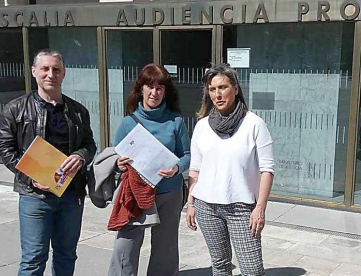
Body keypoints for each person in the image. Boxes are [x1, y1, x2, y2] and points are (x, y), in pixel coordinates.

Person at [0, 49, 97, 276]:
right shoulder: (16, 109)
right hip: (35, 197)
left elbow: (90, 145)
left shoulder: (78, 111)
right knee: (33, 259)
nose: (50, 74)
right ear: (34, 72)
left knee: (66, 255)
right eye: (45, 69)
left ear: (63, 74)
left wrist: (81, 157)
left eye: (56, 69)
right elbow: (3, 148)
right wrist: (30, 177)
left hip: (71, 196)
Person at [186, 63, 274, 276]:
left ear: (235, 88)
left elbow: (267, 169)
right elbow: (195, 170)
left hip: (242, 208)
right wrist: (190, 203)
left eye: (223, 87)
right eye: (213, 89)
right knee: (220, 265)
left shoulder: (254, 124)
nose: (218, 94)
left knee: (252, 270)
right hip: (207, 207)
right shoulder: (202, 126)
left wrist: (260, 208)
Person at [108, 63, 191, 276]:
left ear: (165, 92)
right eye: (150, 86)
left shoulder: (176, 121)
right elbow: (116, 159)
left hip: (169, 193)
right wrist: (119, 165)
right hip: (135, 193)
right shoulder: (128, 122)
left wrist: (176, 168)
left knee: (165, 247)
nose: (154, 92)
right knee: (126, 245)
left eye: (160, 88)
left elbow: (188, 156)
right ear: (141, 89)